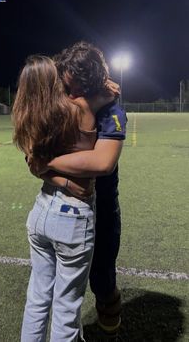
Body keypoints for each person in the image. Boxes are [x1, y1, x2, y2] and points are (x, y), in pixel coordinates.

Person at [12, 55, 118, 342]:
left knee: (37, 299)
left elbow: (36, 164)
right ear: (50, 83)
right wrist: (102, 94)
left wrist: (57, 174)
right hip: (71, 218)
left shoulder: (30, 116)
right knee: (66, 309)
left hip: (41, 213)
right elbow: (98, 162)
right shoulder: (75, 109)